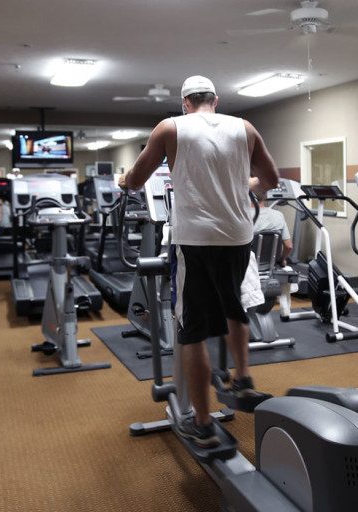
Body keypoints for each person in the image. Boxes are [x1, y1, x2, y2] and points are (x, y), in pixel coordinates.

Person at [118, 75, 279, 448]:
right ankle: (241, 378)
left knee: (191, 330)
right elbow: (269, 178)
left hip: (196, 240)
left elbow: (140, 177)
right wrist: (243, 184)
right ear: (215, 100)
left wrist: (124, 180)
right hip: (239, 236)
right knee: (233, 307)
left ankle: (203, 423)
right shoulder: (246, 127)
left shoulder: (170, 127)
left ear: (185, 102)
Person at [252, 191, 293, 266]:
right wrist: (282, 259)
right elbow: (288, 246)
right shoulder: (279, 215)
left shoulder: (242, 216)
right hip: (270, 266)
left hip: (247, 266)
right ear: (266, 197)